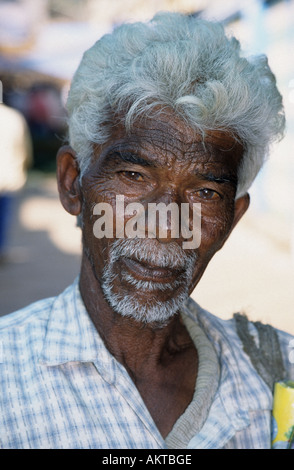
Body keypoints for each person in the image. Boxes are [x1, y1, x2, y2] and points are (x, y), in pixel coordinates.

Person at [0, 12, 293, 449]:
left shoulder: (279, 372)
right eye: (134, 176)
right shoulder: (7, 379)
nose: (165, 223)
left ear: (233, 220)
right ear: (71, 183)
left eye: (205, 192)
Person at [0, 103, 32, 261]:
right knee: (4, 214)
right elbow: (24, 147)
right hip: (8, 175)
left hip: (8, 174)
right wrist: (26, 165)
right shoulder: (14, 117)